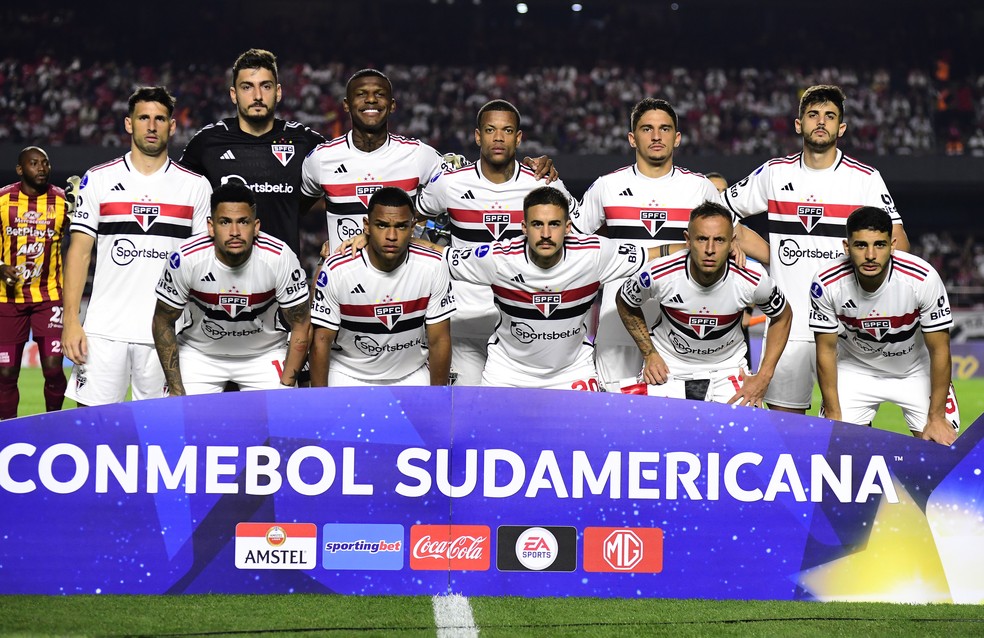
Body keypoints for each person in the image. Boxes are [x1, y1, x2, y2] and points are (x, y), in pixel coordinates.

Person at [722, 84, 910, 414]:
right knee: (785, 430)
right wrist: (739, 242)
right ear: (799, 124)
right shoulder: (774, 173)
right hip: (788, 329)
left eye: (830, 116)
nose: (821, 121)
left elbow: (900, 244)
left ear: (842, 128)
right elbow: (721, 210)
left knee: (844, 432)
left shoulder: (864, 179)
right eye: (813, 115)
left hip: (846, 330)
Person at [62, 86, 211, 407]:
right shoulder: (98, 179)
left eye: (160, 119)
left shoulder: (196, 187)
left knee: (163, 429)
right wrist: (71, 321)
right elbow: (79, 252)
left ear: (173, 126)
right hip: (104, 330)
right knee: (93, 427)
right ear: (129, 123)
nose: (152, 126)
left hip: (168, 332)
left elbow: (202, 264)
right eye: (143, 118)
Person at [301, 69, 556, 253]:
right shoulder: (322, 158)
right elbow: (292, 211)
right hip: (344, 279)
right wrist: (332, 243)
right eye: (361, 94)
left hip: (408, 284)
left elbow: (472, 180)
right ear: (346, 105)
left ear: (392, 105)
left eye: (379, 94)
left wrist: (526, 168)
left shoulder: (418, 155)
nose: (370, 100)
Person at [415, 99, 577, 385]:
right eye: (490, 130)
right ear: (478, 136)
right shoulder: (450, 183)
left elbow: (579, 228)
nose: (499, 138)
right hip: (464, 321)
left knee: (520, 408)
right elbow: (405, 218)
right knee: (467, 407)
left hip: (524, 324)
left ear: (519, 137)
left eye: (507, 130)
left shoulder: (541, 184)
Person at [571, 98, 722, 391]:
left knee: (675, 414)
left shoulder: (699, 187)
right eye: (647, 129)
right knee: (613, 411)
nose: (656, 136)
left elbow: (727, 241)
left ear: (677, 138)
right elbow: (574, 244)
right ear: (632, 138)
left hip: (680, 328)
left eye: (665, 129)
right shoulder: (607, 186)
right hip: (617, 324)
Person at [441, 186, 656, 390]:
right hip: (507, 374)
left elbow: (655, 254)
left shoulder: (594, 254)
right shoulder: (498, 258)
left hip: (572, 373)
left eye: (554, 224)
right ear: (524, 227)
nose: (545, 233)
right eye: (537, 224)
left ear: (568, 227)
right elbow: (440, 258)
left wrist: (680, 254)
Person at [615, 201, 791, 405]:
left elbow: (783, 316)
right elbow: (624, 300)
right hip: (668, 368)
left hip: (727, 370)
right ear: (687, 240)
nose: (710, 249)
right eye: (702, 239)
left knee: (745, 426)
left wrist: (764, 376)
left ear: (732, 242)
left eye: (719, 240)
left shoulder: (752, 279)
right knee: (649, 424)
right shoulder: (659, 274)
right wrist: (649, 353)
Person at [811, 206, 959, 445]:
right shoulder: (826, 283)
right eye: (861, 245)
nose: (870, 255)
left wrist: (936, 417)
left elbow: (940, 349)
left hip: (915, 370)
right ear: (847, 247)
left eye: (879, 245)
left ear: (892, 245)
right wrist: (833, 413)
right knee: (836, 446)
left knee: (942, 450)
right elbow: (826, 350)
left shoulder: (922, 278)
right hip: (856, 369)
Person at [152, 184, 311, 395]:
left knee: (282, 415)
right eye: (225, 222)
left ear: (256, 226)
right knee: (179, 414)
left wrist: (285, 387)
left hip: (265, 353)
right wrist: (176, 389)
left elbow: (301, 323)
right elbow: (162, 321)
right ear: (211, 226)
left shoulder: (279, 257)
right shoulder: (186, 258)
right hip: (199, 354)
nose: (235, 232)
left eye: (243, 222)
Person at [178, 48, 326, 257]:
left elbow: (347, 180)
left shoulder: (304, 141)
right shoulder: (207, 143)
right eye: (247, 87)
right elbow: (177, 199)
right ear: (233, 94)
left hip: (283, 273)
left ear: (278, 92)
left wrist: (340, 238)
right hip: (222, 271)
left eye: (266, 86)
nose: (257, 96)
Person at [309, 187, 453, 386]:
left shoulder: (433, 266)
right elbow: (321, 341)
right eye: (382, 225)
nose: (391, 236)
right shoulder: (337, 269)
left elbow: (439, 340)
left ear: (412, 227)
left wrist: (439, 397)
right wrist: (320, 401)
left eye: (401, 226)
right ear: (367, 226)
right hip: (347, 373)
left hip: (411, 374)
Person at [0, 147, 69, 418]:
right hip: (8, 299)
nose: (41, 168)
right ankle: (7, 432)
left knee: (53, 368)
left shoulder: (63, 202)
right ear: (20, 169)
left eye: (45, 163)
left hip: (49, 297)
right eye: (34, 163)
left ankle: (52, 425)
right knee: (6, 372)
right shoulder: (3, 200)